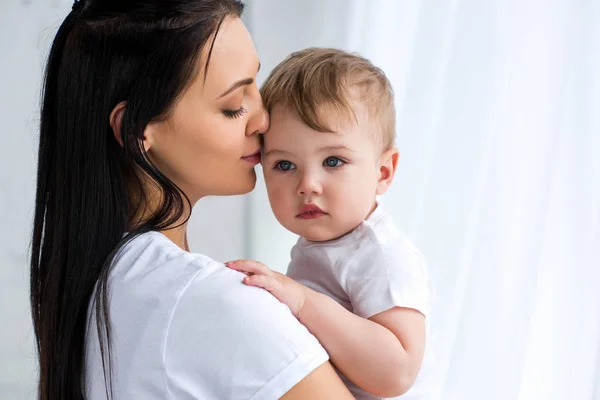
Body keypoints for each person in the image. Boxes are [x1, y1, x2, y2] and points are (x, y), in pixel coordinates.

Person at [29, 2, 355, 399]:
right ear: (136, 132)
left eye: (256, 83)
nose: (263, 120)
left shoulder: (95, 290)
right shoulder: (220, 306)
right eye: (233, 107)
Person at [227, 48, 434, 399]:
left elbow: (397, 372)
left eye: (333, 160)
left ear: (383, 172)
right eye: (285, 165)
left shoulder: (380, 254)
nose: (307, 184)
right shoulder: (327, 245)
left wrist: (302, 303)